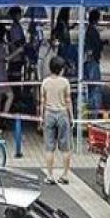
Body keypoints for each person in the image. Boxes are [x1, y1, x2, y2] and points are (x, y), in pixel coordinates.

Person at [39, 56, 72, 186]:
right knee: (65, 148)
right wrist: (71, 117)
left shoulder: (45, 82)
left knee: (49, 147)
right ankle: (65, 175)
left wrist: (41, 117)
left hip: (49, 114)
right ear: (61, 69)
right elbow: (68, 101)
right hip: (63, 113)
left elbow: (43, 101)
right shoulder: (65, 82)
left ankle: (49, 175)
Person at [83, 9, 104, 114]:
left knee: (91, 86)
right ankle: (93, 112)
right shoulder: (93, 31)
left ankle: (92, 111)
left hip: (90, 60)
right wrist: (101, 44)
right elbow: (96, 46)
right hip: (93, 61)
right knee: (94, 86)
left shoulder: (89, 30)